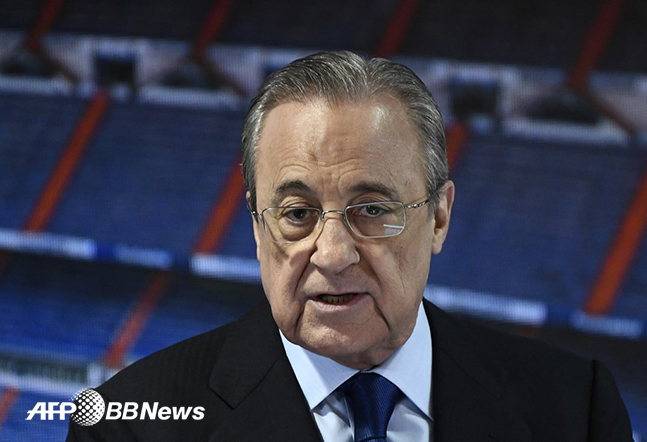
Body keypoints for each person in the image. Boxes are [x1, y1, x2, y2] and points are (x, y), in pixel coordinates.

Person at [67, 51, 633, 441]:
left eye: (374, 210)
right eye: (297, 214)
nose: (333, 254)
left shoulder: (574, 408)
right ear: (257, 226)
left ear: (439, 217)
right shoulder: (125, 427)